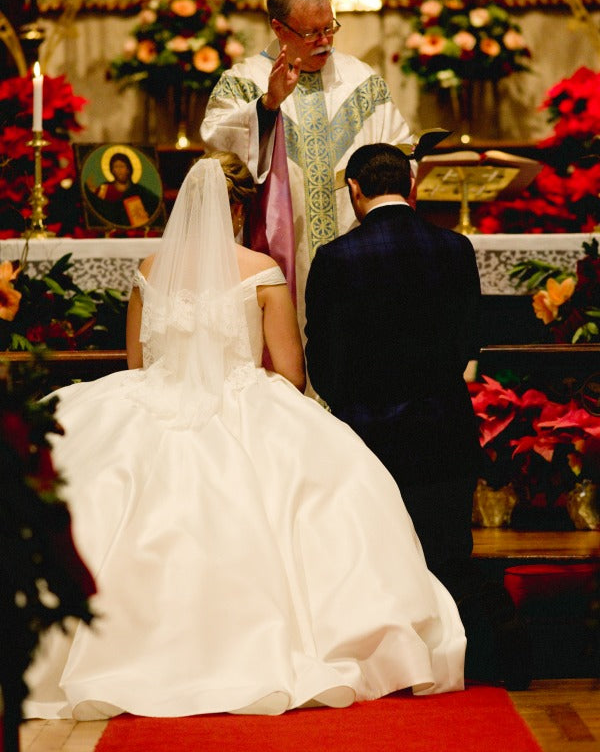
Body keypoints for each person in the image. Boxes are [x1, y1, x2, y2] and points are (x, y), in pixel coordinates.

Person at [23, 151, 465, 721]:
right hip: (244, 400)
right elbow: (290, 371)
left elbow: (136, 364)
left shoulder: (149, 271)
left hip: (153, 398)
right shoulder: (261, 270)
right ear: (238, 208)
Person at [304, 142, 532, 690]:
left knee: (376, 555)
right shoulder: (455, 248)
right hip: (441, 422)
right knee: (449, 549)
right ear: (411, 186)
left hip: (367, 432)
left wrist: (352, 405)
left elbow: (323, 354)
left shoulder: (335, 257)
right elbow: (465, 338)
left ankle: (390, 670)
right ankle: (470, 665)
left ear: (355, 191)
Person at [200, 0, 415, 332]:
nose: (325, 41)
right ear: (278, 28)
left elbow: (401, 152)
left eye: (329, 28)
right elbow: (217, 149)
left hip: (356, 248)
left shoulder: (362, 81)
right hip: (275, 251)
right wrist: (268, 105)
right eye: (312, 33)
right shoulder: (243, 81)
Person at [85, 150, 160, 228]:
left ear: (128, 169)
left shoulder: (139, 190)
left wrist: (147, 214)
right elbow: (96, 208)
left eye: (122, 166)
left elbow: (155, 204)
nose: (119, 170)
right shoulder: (104, 189)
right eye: (116, 167)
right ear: (112, 170)